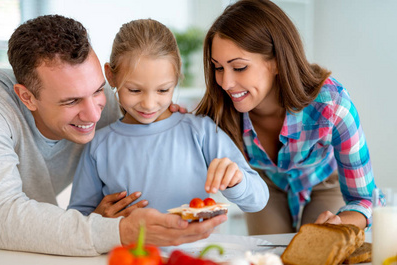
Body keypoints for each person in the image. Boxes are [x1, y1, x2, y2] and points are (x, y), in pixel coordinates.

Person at [0, 15, 227, 254]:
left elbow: (143, 112)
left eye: (97, 90)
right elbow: (1, 219)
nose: (94, 116)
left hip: (38, 241)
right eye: (71, 102)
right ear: (27, 97)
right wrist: (118, 230)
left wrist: (164, 114)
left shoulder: (103, 102)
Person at [195, 0, 383, 234]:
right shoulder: (218, 109)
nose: (225, 83)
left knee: (316, 249)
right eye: (218, 67)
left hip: (323, 182)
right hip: (265, 184)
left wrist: (341, 222)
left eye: (240, 67)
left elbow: (366, 200)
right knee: (267, 257)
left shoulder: (332, 104)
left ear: (276, 62)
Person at [67, 19, 268, 217]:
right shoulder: (99, 146)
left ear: (177, 74)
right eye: (135, 90)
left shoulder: (201, 132)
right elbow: (76, 220)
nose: (149, 103)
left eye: (163, 90)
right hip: (128, 250)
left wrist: (237, 181)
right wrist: (98, 218)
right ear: (111, 76)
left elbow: (258, 201)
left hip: (194, 250)